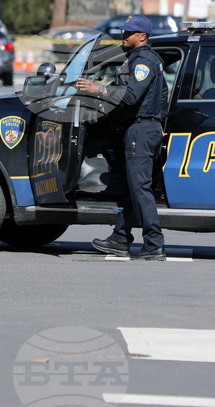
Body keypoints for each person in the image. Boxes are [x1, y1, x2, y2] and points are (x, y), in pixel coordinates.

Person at [76, 14, 168, 261]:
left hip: (140, 130)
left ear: (142, 36)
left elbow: (130, 97)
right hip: (144, 128)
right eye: (123, 31)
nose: (123, 35)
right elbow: (161, 95)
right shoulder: (144, 59)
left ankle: (154, 244)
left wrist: (99, 89)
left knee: (140, 189)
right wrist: (158, 121)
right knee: (133, 188)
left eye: (129, 32)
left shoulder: (143, 61)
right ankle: (120, 238)